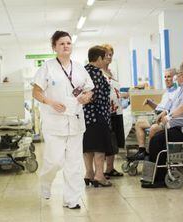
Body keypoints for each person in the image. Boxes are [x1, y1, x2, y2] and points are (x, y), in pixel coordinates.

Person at [32, 31, 94, 209]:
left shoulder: (80, 67)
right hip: (54, 121)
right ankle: (45, 183)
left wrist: (86, 97)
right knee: (54, 161)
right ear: (54, 47)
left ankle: (71, 199)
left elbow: (89, 89)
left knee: (74, 163)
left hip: (75, 121)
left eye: (68, 43)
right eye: (61, 43)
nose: (66, 46)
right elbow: (36, 92)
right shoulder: (47, 67)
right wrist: (50, 102)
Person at [141, 62, 183, 188]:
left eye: (177, 76)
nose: (175, 79)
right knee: (156, 139)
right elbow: (175, 106)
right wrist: (165, 113)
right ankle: (151, 176)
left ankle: (158, 178)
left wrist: (169, 116)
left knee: (157, 140)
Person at [132, 68, 179, 160]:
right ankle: (142, 151)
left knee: (153, 128)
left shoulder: (177, 92)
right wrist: (150, 103)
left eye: (169, 76)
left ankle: (150, 154)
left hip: (166, 118)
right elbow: (159, 108)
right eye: (165, 77)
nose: (166, 79)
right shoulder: (166, 92)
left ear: (175, 78)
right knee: (139, 123)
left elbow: (171, 110)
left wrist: (163, 114)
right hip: (157, 115)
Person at [83, 46, 113, 187]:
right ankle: (99, 175)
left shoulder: (82, 71)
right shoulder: (96, 74)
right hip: (98, 115)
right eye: (105, 57)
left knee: (88, 147)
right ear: (99, 58)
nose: (106, 60)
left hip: (85, 117)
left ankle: (89, 173)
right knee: (99, 148)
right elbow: (96, 96)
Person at [100, 44, 125, 178]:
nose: (109, 57)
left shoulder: (112, 72)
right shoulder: (99, 72)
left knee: (114, 141)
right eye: (106, 54)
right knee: (106, 141)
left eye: (111, 54)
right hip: (106, 111)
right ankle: (102, 170)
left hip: (116, 110)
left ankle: (110, 168)